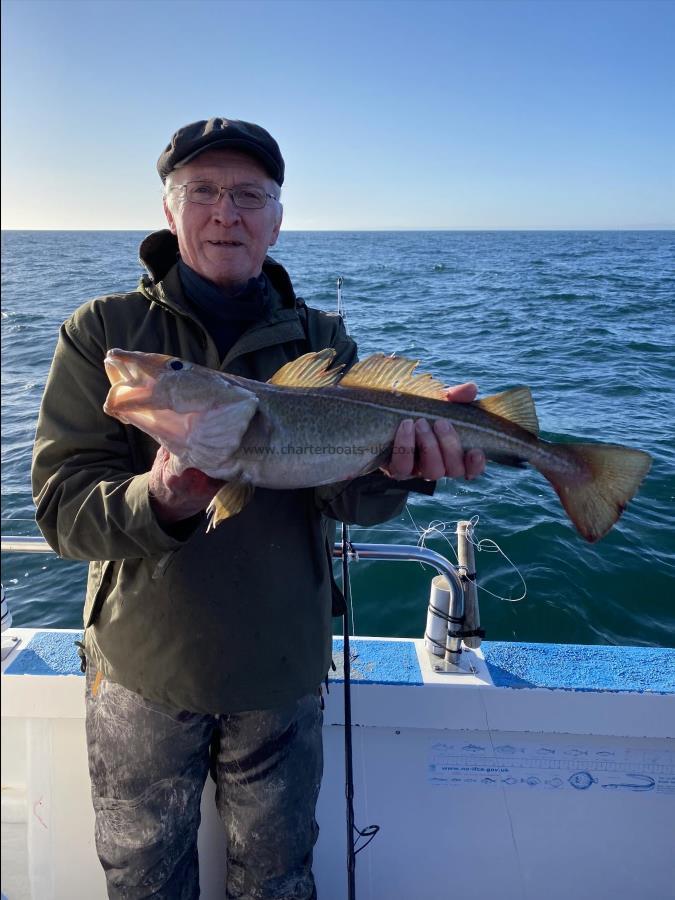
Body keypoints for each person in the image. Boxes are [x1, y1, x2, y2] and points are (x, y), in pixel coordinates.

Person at [32, 118, 485, 899]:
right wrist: (162, 495)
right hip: (144, 665)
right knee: (141, 879)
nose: (224, 213)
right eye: (200, 192)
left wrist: (406, 472)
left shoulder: (321, 339)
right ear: (168, 212)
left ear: (277, 217)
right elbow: (62, 509)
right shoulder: (102, 332)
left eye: (249, 195)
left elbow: (352, 499)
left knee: (279, 877)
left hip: (281, 666)